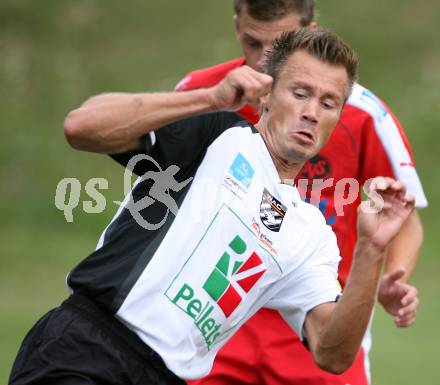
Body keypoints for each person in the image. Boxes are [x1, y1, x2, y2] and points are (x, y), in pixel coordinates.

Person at [10, 28, 415, 385]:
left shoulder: (310, 233)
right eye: (300, 93)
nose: (311, 112)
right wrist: (208, 98)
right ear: (268, 95)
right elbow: (80, 127)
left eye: (329, 103)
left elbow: (332, 353)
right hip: (88, 348)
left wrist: (371, 249)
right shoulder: (216, 135)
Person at [173, 1, 427, 384]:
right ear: (237, 24)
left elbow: (402, 218)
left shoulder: (363, 115)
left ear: (310, 29)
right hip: (216, 317)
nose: (262, 65)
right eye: (251, 43)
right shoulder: (203, 95)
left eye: (277, 49)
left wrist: (396, 275)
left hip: (317, 316)